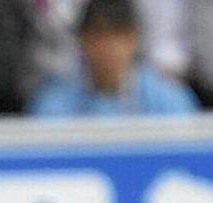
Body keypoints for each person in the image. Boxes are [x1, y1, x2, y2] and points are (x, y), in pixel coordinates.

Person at [29, 0, 199, 117]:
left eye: (119, 35)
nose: (110, 47)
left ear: (134, 38)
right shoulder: (54, 101)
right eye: (99, 35)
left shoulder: (169, 99)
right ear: (82, 39)